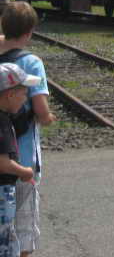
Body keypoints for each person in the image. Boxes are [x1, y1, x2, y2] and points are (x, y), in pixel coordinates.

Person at [0, 2, 55, 257]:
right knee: (23, 227)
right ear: (29, 32)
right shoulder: (32, 62)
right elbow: (41, 110)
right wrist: (48, 118)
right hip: (22, 159)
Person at [0, 63, 39, 257]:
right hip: (2, 192)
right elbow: (2, 163)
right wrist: (25, 171)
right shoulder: (2, 122)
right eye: (23, 94)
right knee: (5, 242)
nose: (25, 99)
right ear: (10, 95)